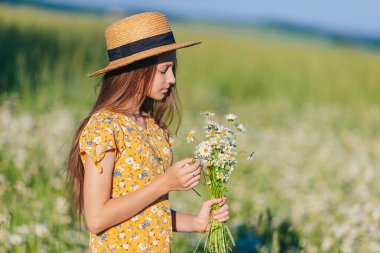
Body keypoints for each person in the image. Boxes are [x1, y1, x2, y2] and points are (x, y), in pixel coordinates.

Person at [66, 12, 229, 252]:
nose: (172, 79)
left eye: (172, 69)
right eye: (164, 70)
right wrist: (165, 183)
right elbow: (97, 218)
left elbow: (151, 210)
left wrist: (197, 222)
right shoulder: (104, 127)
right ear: (137, 70)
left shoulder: (153, 128)